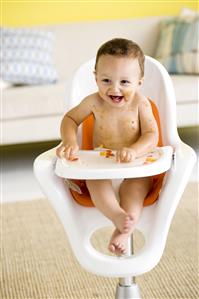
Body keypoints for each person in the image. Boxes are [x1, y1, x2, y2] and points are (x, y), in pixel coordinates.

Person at [56, 38, 158, 255]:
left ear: (139, 81)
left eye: (124, 82)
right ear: (95, 77)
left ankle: (124, 230)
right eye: (106, 80)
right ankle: (116, 215)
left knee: (136, 189)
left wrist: (134, 150)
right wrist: (70, 141)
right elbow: (70, 119)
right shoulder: (93, 102)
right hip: (101, 162)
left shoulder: (141, 103)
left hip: (134, 165)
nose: (114, 89)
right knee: (95, 182)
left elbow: (152, 135)